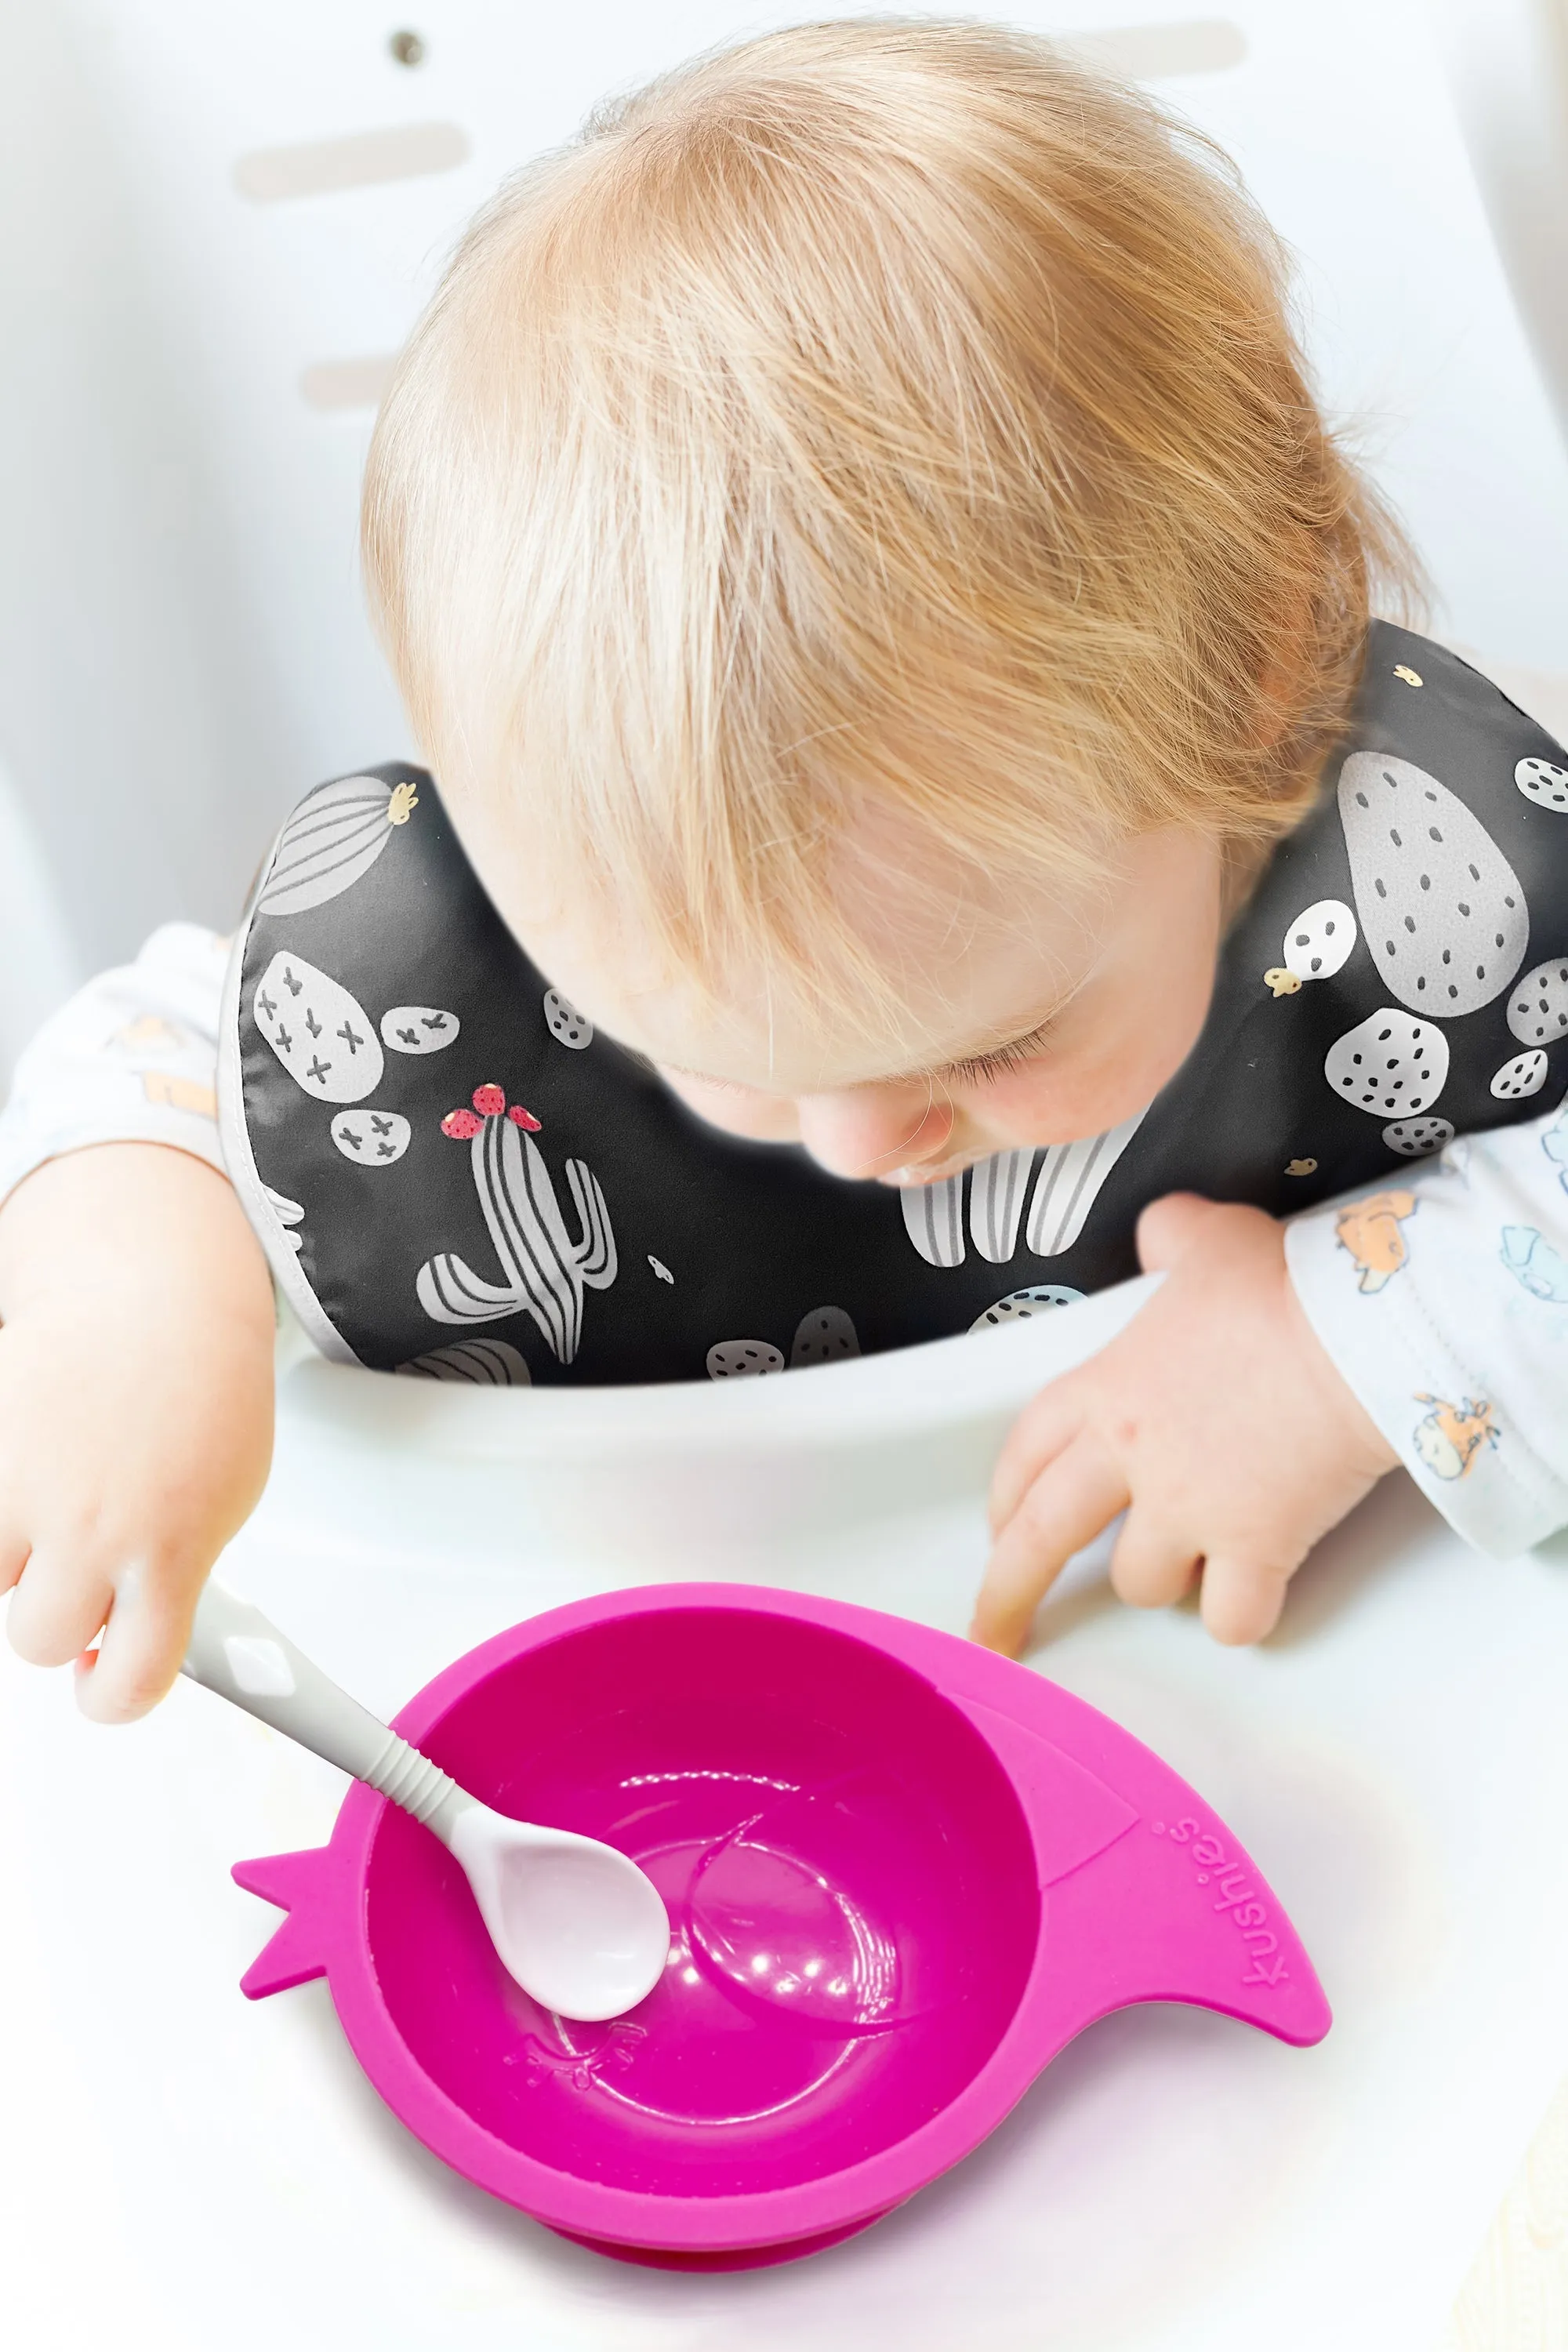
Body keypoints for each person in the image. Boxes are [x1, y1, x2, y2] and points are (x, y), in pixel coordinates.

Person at [2, 18, 1566, 1726]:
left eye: (990, 1041)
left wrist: (1348, 1355)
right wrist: (138, 1311)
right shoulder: (465, 957)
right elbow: (152, 1063)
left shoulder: (1439, 881)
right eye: (738, 1056)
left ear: (1248, 685)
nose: (855, 1144)